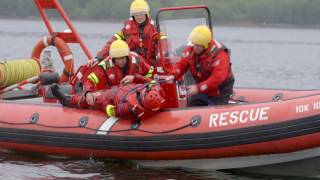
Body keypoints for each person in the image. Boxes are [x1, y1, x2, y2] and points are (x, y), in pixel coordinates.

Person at [52, 39, 154, 107]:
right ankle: (68, 99)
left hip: (135, 91)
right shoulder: (106, 65)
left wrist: (136, 79)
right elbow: (91, 79)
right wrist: (88, 92)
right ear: (112, 58)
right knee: (94, 97)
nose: (120, 61)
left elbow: (150, 72)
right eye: (117, 59)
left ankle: (76, 96)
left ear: (127, 56)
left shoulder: (137, 60)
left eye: (122, 58)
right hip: (114, 93)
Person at [171, 25, 235, 106]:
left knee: (216, 110)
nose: (195, 48)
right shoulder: (191, 49)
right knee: (191, 107)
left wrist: (198, 88)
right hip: (203, 85)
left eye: (198, 46)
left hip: (219, 89)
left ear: (205, 45)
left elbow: (217, 78)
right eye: (194, 44)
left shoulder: (220, 54)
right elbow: (181, 64)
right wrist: (173, 75)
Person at [93, 0, 165, 67]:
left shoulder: (155, 29)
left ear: (146, 14)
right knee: (105, 65)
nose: (139, 17)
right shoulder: (126, 29)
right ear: (133, 16)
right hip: (129, 62)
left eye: (141, 14)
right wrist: (98, 57)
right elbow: (111, 43)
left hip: (149, 64)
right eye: (136, 15)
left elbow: (164, 43)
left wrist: (162, 53)